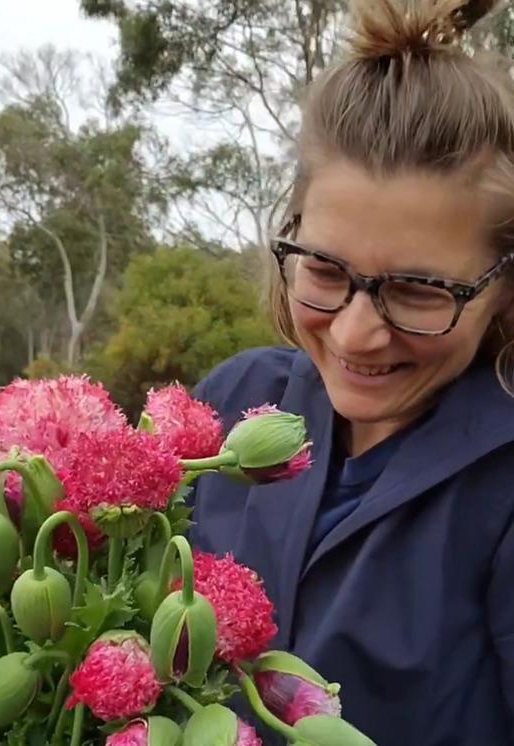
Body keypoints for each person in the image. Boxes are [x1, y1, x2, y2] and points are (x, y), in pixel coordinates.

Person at [189, 0, 514, 742]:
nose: (358, 334)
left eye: (420, 290)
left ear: (503, 288)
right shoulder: (230, 403)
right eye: (326, 272)